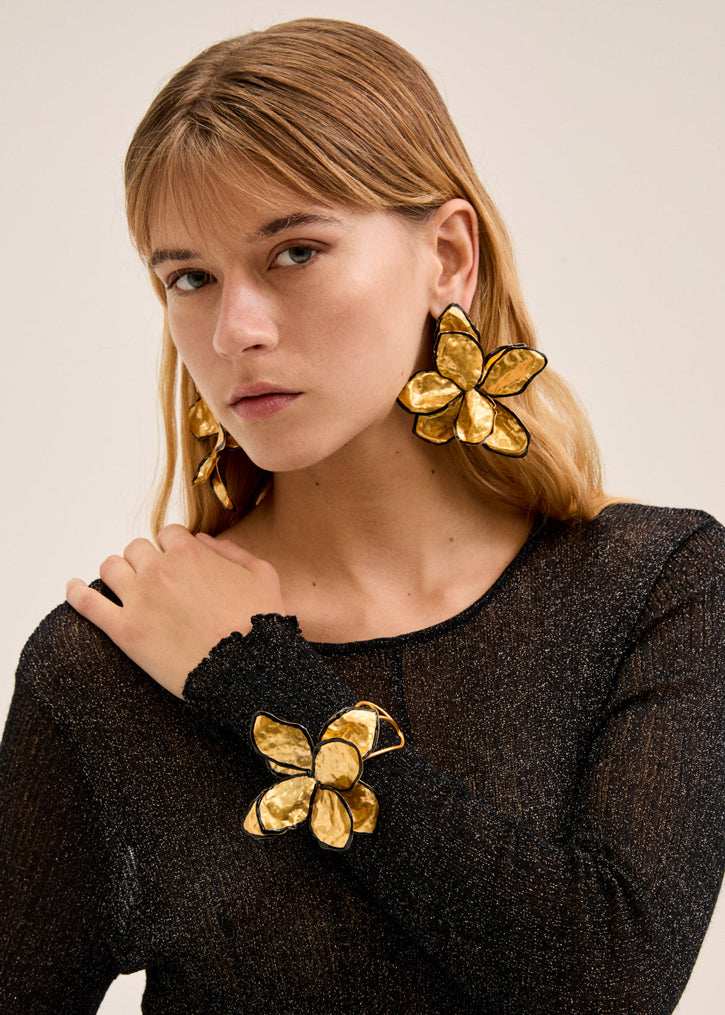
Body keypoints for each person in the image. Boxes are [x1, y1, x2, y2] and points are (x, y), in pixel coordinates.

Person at [1, 17, 723, 1015]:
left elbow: (604, 982)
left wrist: (254, 681)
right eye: (189, 277)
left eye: (294, 251)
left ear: (447, 255)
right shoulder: (109, 664)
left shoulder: (655, 588)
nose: (233, 330)